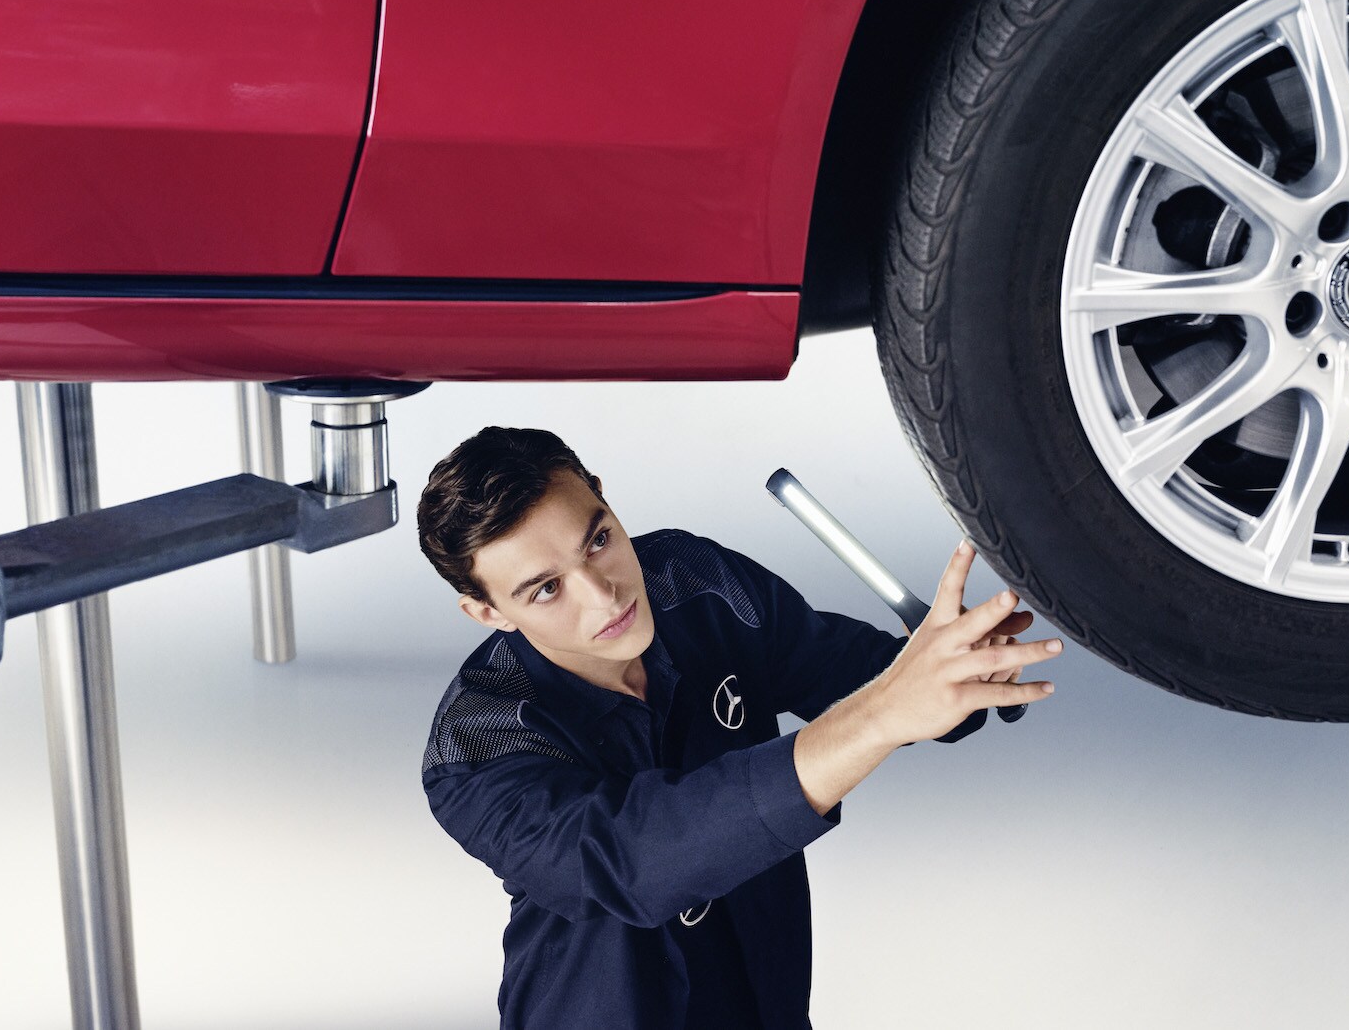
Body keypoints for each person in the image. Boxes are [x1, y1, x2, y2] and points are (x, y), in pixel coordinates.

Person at [416, 426, 1060, 1029]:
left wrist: (957, 667)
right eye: (546, 590)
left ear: (605, 499)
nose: (604, 594)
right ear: (488, 612)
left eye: (599, 541)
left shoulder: (696, 579)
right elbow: (632, 859)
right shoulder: (474, 746)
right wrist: (888, 709)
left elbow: (854, 674)